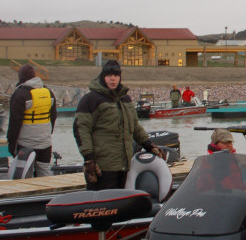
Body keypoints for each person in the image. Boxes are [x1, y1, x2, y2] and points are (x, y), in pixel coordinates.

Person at [74, 60, 163, 190]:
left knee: (122, 198)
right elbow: (81, 128)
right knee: (103, 201)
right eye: (109, 75)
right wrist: (89, 158)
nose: (113, 79)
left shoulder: (125, 99)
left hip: (124, 165)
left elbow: (135, 126)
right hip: (102, 167)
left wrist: (148, 145)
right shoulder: (91, 99)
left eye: (116, 75)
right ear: (102, 77)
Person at [6, 64, 57, 177]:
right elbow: (53, 117)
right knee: (44, 172)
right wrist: (46, 135)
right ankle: (47, 188)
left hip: (25, 144)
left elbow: (15, 122)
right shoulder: (48, 92)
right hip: (45, 143)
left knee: (26, 174)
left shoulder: (20, 94)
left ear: (21, 77)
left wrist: (11, 143)